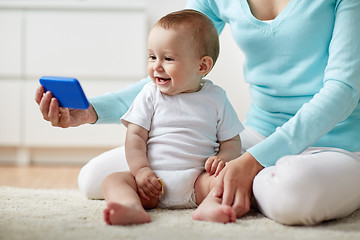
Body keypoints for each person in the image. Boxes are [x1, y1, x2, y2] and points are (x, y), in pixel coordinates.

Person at [35, 0, 360, 226]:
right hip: (258, 135)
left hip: (337, 142)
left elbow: (342, 92)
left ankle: (239, 188)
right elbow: (173, 67)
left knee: (292, 197)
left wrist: (251, 162)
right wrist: (91, 111)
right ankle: (238, 190)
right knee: (94, 179)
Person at [101, 10, 244, 225]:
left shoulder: (216, 98)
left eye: (168, 58)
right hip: (151, 183)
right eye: (152, 57)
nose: (156, 66)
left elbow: (231, 141)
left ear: (202, 66)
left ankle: (209, 206)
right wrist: (140, 171)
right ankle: (130, 206)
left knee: (226, 181)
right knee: (113, 180)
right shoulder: (149, 94)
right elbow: (135, 137)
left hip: (197, 181)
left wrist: (223, 158)